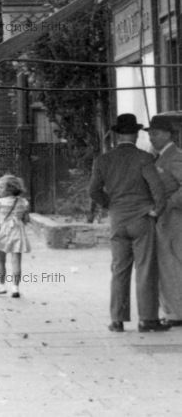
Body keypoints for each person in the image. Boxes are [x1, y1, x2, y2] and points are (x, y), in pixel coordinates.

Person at [89, 113, 168, 333]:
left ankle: (117, 319)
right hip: (142, 219)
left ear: (116, 135)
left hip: (118, 219)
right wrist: (155, 211)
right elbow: (158, 190)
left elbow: (93, 191)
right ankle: (147, 319)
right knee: (145, 269)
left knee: (119, 270)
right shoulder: (144, 158)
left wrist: (110, 206)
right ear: (134, 134)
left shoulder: (103, 160)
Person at [144, 116, 182, 327]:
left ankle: (177, 313)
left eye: (155, 133)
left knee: (173, 264)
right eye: (150, 134)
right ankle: (170, 310)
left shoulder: (175, 157)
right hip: (160, 218)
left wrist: (169, 204)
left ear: (168, 134)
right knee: (165, 265)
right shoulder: (155, 157)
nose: (152, 137)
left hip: (174, 218)